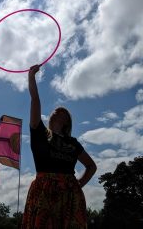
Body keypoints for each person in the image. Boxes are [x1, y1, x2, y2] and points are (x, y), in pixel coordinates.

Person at [21, 65, 97, 229]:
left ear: (67, 121)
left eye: (62, 111)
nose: (58, 110)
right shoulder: (39, 132)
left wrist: (78, 185)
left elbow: (91, 166)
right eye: (56, 110)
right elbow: (35, 100)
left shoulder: (73, 143)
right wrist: (31, 76)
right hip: (44, 191)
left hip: (69, 195)